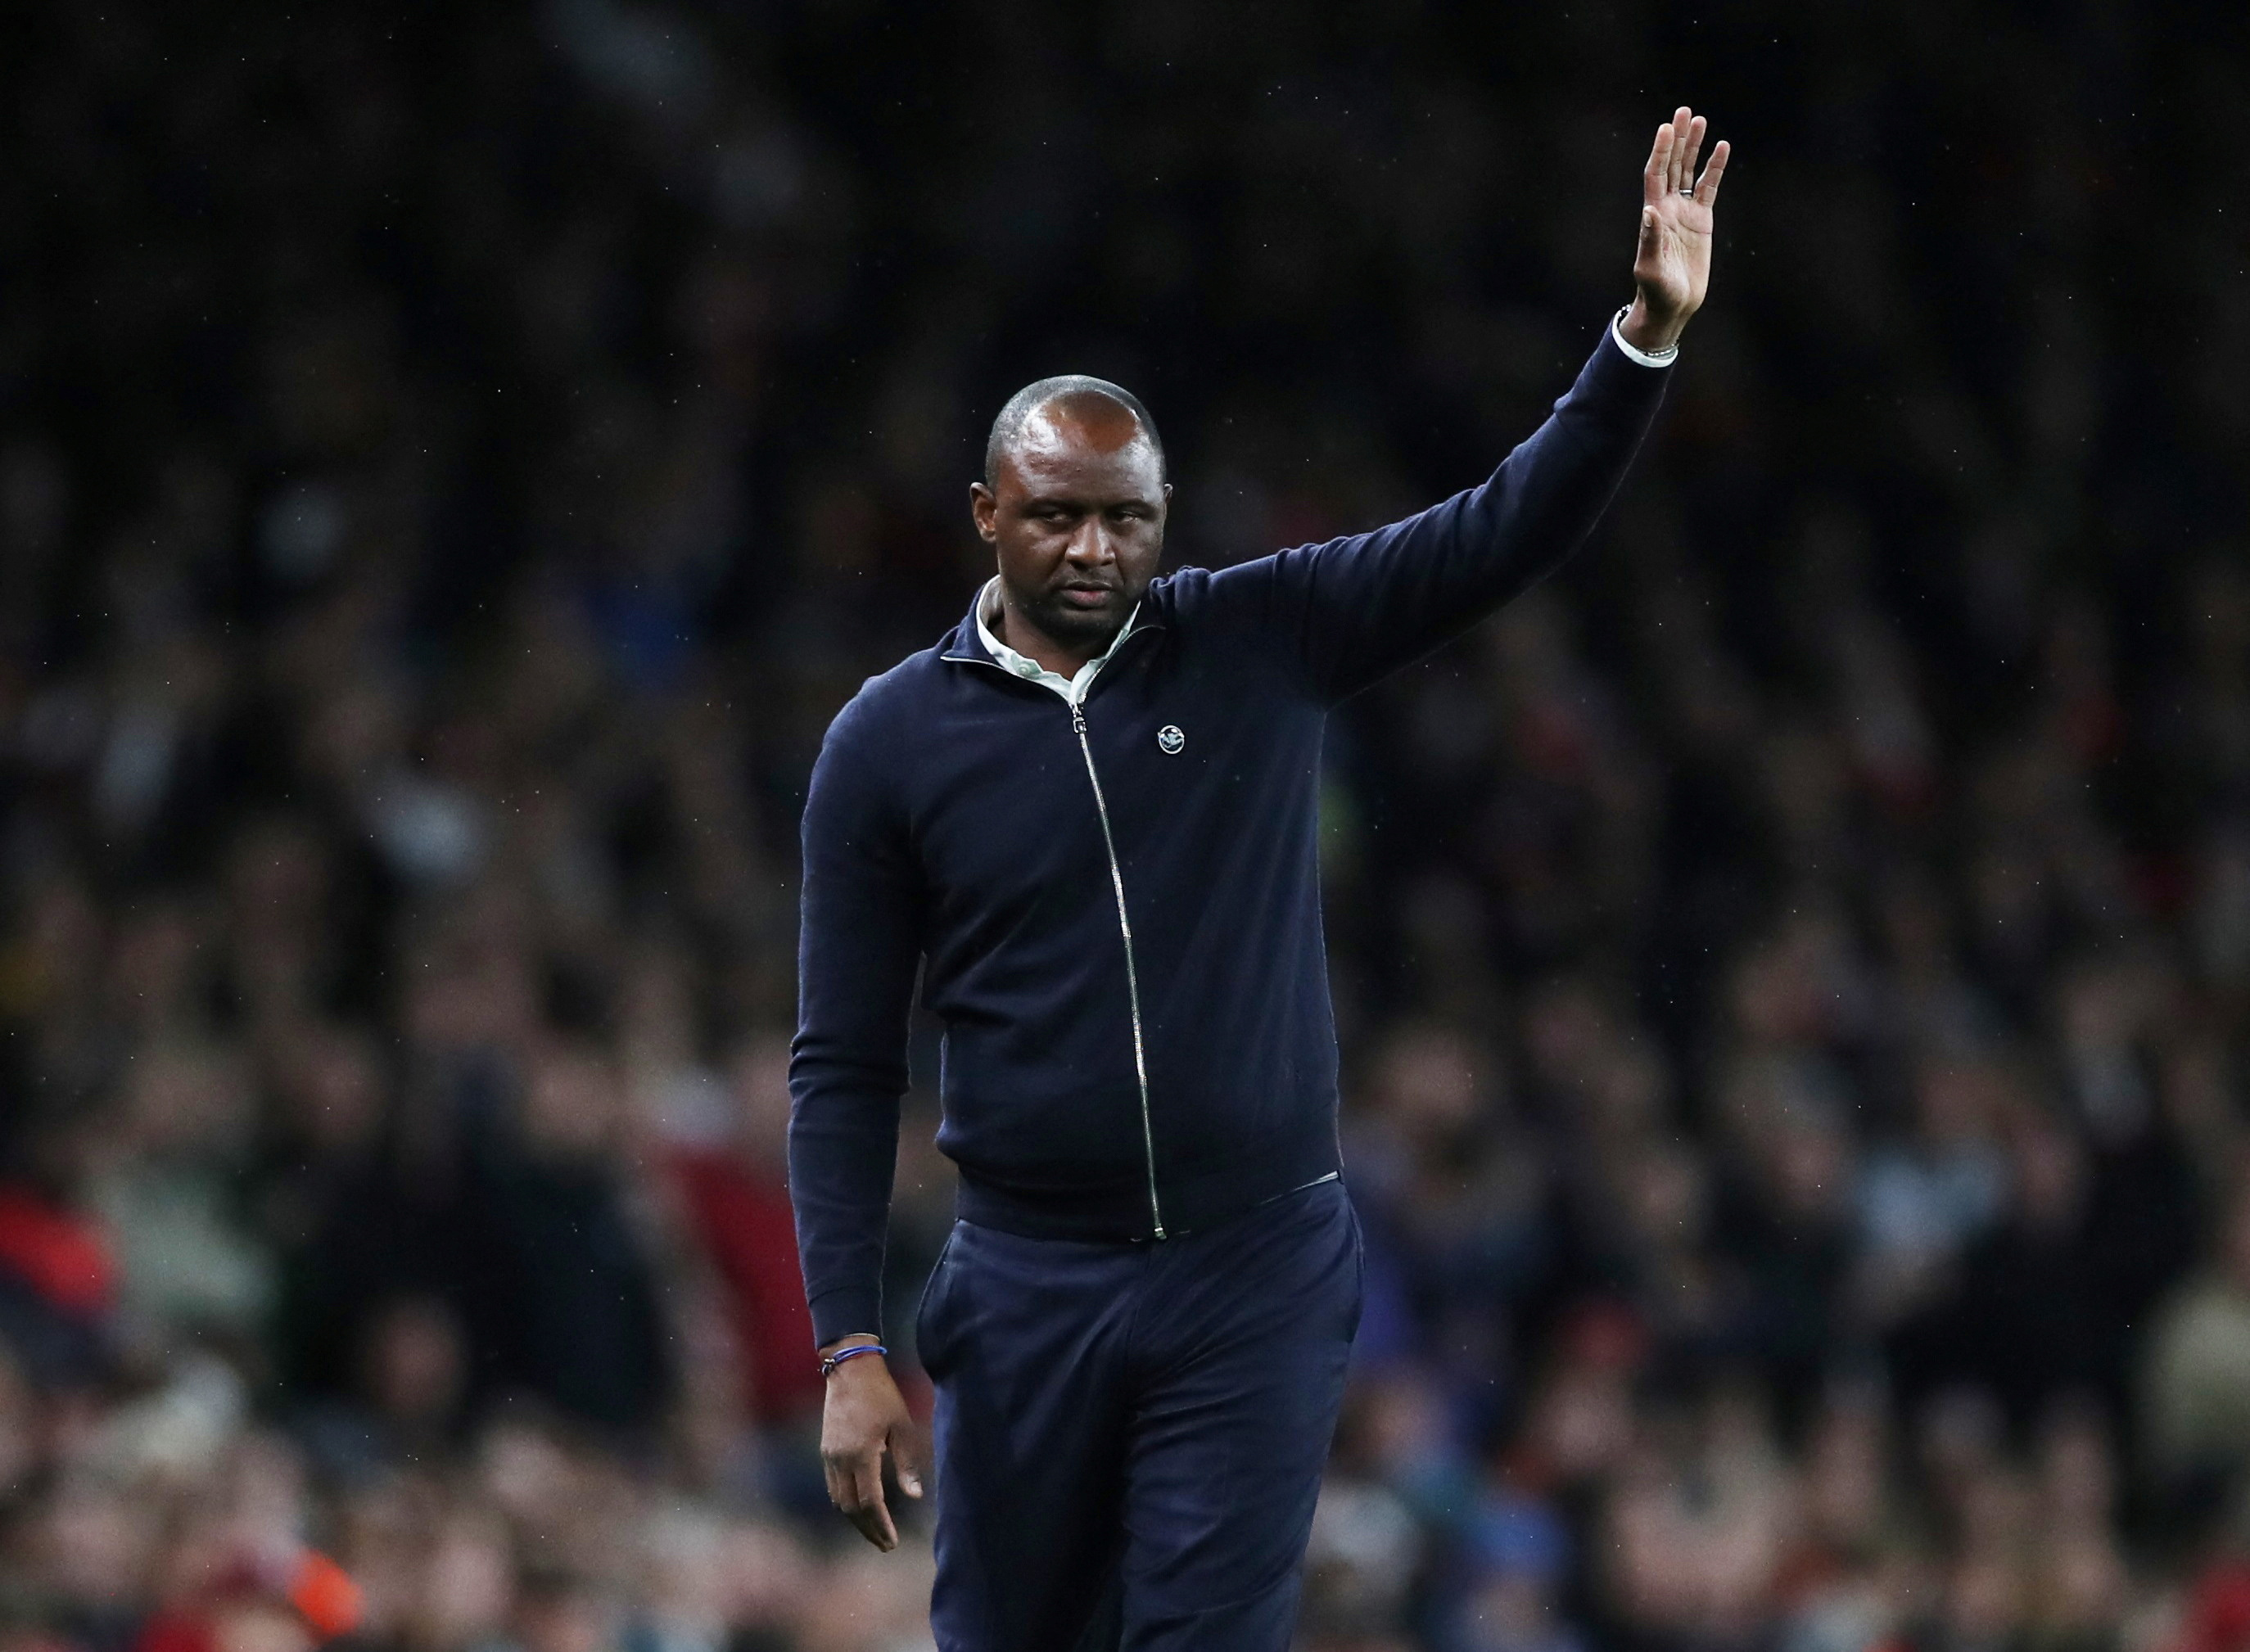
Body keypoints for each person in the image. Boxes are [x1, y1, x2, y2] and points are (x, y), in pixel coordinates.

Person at [789, 107, 1731, 1651]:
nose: (1096, 549)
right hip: (1030, 1280)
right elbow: (840, 1061)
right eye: (1057, 515)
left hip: (1255, 1265)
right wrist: (846, 1341)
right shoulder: (888, 744)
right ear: (985, 517)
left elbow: (1502, 531)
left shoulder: (1254, 639)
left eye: (1128, 518)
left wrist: (1641, 338)